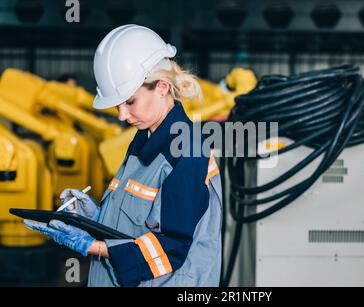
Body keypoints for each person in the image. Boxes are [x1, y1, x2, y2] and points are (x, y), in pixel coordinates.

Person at [24, 24, 223, 287]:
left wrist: (91, 246)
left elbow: (170, 248)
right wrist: (95, 218)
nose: (121, 115)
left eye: (129, 102)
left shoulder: (187, 151)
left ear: (162, 88)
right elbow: (137, 225)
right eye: (117, 105)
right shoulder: (143, 141)